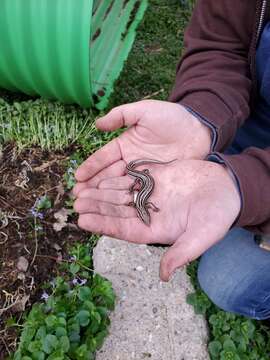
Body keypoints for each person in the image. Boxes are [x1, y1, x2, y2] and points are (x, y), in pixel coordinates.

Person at [73, 1, 270, 320]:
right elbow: (220, 45)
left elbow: (143, 193)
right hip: (249, 121)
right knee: (199, 211)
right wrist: (201, 117)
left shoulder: (142, 196)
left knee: (226, 281)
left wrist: (249, 187)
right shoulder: (143, 192)